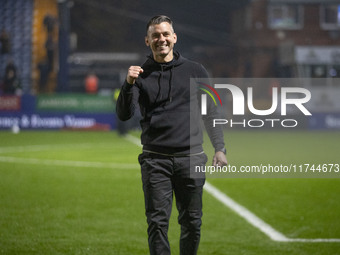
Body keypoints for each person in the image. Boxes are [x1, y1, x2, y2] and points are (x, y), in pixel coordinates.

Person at [116, 15, 228, 255]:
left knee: (192, 224)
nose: (161, 39)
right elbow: (124, 115)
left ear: (174, 38)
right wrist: (127, 84)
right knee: (157, 224)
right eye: (155, 35)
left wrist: (220, 147)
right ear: (147, 41)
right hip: (156, 161)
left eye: (165, 34)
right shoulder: (139, 74)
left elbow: (211, 111)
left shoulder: (196, 70)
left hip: (192, 158)